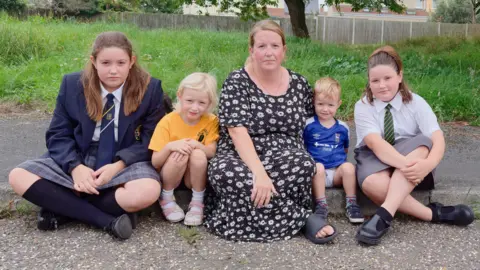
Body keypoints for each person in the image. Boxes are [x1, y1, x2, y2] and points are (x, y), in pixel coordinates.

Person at [8, 32, 166, 240]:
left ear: (131, 61)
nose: (113, 70)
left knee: (147, 190)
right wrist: (75, 168)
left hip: (125, 158)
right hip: (81, 154)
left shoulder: (150, 88)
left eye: (121, 63)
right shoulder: (72, 84)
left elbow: (151, 139)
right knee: (18, 176)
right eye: (105, 63)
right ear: (93, 61)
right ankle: (106, 220)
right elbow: (58, 134)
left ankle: (64, 208)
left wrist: (118, 166)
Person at [204, 20, 329, 243]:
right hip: (241, 156)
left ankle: (237, 213)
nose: (269, 52)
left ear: (284, 50)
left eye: (274, 46)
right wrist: (259, 174)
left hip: (285, 158)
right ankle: (302, 219)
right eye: (261, 46)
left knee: (303, 164)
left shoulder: (299, 83)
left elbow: (319, 114)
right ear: (251, 51)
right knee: (223, 171)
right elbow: (237, 132)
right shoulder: (237, 81)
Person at [354, 45, 474, 246]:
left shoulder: (416, 103)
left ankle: (383, 216)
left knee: (423, 143)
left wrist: (427, 165)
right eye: (375, 80)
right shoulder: (364, 105)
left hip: (413, 157)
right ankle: (434, 214)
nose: (382, 85)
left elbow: (438, 139)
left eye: (388, 78)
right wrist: (406, 166)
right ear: (369, 81)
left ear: (400, 76)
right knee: (372, 184)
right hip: (376, 157)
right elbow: (375, 143)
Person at [149, 72, 219, 226]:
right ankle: (166, 197)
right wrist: (170, 147)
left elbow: (211, 152)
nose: (195, 107)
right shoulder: (167, 121)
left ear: (210, 103)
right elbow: (155, 161)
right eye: (190, 101)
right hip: (171, 172)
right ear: (180, 96)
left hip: (192, 176)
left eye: (202, 103)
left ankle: (197, 202)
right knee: (178, 153)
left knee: (198, 154)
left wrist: (197, 146)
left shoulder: (211, 121)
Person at [304, 77, 364, 241]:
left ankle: (352, 204)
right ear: (313, 102)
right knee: (319, 167)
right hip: (317, 175)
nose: (325, 109)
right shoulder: (308, 125)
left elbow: (345, 149)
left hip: (336, 172)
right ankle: (321, 205)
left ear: (338, 104)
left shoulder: (343, 127)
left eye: (330, 105)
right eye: (320, 104)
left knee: (349, 167)